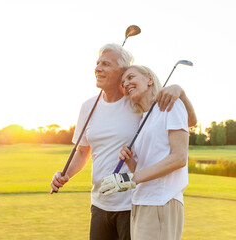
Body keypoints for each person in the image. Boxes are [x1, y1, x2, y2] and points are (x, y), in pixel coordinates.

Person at [50, 43, 196, 240]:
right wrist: (65, 175)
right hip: (102, 203)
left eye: (106, 64)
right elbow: (83, 151)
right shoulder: (92, 107)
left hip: (134, 203)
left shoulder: (141, 104)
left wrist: (180, 92)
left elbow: (187, 125)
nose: (98, 68)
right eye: (97, 63)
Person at [99, 65, 190, 240]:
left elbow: (179, 158)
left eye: (130, 77)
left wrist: (130, 179)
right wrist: (130, 161)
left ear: (149, 79)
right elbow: (143, 169)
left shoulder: (171, 104)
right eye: (123, 82)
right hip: (140, 202)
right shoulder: (143, 119)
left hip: (161, 202)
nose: (126, 84)